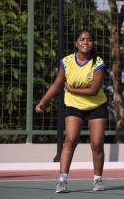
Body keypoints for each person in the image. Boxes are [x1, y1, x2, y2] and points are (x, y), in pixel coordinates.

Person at [35, 30, 108, 193]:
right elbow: (56, 84)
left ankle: (98, 180)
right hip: (74, 106)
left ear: (93, 43)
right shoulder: (67, 62)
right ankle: (62, 181)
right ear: (76, 43)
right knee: (70, 139)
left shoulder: (98, 62)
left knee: (96, 143)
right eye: (82, 39)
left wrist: (72, 89)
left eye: (89, 40)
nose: (85, 42)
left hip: (96, 106)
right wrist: (43, 101)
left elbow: (94, 90)